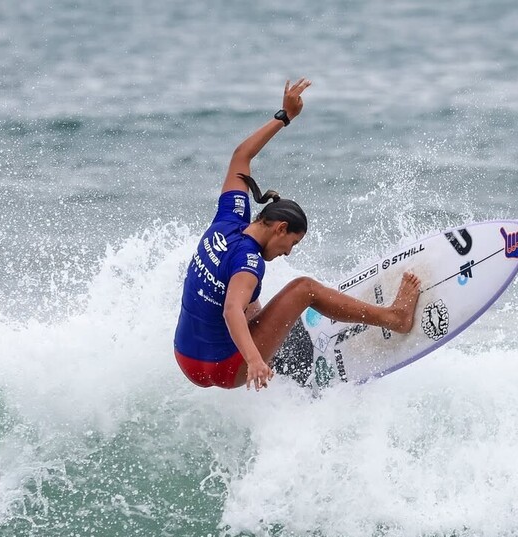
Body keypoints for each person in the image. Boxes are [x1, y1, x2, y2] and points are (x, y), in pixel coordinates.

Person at [174, 78, 421, 391]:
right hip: (225, 368)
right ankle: (394, 318)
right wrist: (254, 360)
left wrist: (285, 116)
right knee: (303, 289)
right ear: (280, 228)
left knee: (250, 299)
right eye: (291, 243)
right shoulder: (249, 261)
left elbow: (241, 156)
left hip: (186, 359)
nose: (288, 252)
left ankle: (282, 357)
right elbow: (231, 310)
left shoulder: (228, 218)